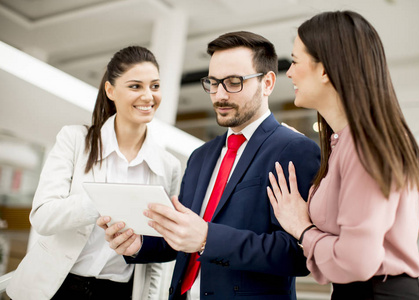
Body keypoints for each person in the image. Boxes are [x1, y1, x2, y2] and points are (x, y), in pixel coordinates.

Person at [99, 31, 321, 300]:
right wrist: (139, 245)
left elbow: (297, 255)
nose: (219, 95)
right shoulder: (200, 156)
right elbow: (183, 237)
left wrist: (207, 238)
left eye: (233, 83)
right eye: (213, 83)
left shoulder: (294, 149)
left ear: (268, 83)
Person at [267, 11, 419, 300]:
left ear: (325, 69)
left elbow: (356, 261)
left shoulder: (366, 143)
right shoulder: (347, 142)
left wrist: (302, 229)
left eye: (294, 61)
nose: (288, 73)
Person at [6, 46, 181, 300]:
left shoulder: (169, 166)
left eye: (154, 86)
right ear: (111, 91)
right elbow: (42, 217)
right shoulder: (74, 140)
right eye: (135, 86)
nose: (148, 96)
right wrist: (102, 198)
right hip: (53, 287)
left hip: (117, 292)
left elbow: (159, 251)